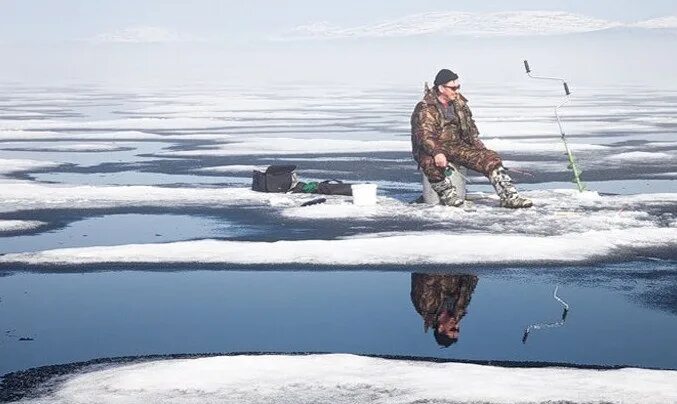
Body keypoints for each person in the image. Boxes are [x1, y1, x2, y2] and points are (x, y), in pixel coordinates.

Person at [411, 69, 532, 208]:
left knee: (490, 157)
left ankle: (509, 196)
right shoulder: (426, 108)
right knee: (430, 161)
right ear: (441, 88)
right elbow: (425, 136)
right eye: (453, 88)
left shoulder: (459, 104)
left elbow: (470, 132)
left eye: (458, 87)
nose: (456, 91)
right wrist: (437, 152)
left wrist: (482, 152)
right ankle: (448, 195)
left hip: (456, 146)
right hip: (431, 147)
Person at [410, 273, 479, 347]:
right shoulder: (460, 309)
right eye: (457, 329)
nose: (457, 325)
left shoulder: (426, 307)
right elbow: (470, 284)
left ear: (441, 328)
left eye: (452, 329)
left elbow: (425, 275)